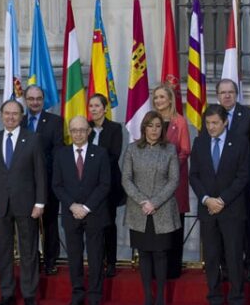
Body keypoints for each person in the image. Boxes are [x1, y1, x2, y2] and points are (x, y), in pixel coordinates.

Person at [0, 100, 46, 305]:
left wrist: (40, 203)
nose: (10, 117)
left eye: (15, 114)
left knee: (28, 251)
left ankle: (29, 294)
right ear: (1, 115)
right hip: (0, 203)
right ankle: (7, 294)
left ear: (21, 116)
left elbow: (40, 174)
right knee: (4, 251)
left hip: (27, 204)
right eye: (7, 113)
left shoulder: (33, 139)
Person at [190, 104, 250, 305]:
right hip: (208, 210)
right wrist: (207, 199)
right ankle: (214, 296)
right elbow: (194, 176)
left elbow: (243, 177)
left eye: (215, 123)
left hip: (231, 210)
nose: (211, 127)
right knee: (212, 256)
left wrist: (222, 200)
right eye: (208, 123)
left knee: (233, 257)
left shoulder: (240, 142)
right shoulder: (199, 142)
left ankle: (236, 298)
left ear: (225, 122)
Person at [121, 111, 180, 305]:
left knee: (161, 253)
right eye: (150, 125)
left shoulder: (170, 149)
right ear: (143, 127)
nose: (154, 130)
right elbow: (126, 179)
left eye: (157, 126)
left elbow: (174, 180)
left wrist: (154, 202)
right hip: (139, 210)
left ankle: (161, 297)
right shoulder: (132, 149)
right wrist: (143, 201)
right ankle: (148, 296)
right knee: (144, 253)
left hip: (162, 210)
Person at [53, 116, 111, 305]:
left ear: (89, 132)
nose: (78, 133)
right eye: (74, 130)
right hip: (71, 214)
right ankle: (77, 294)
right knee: (74, 258)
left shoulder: (101, 153)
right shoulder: (61, 154)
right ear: (70, 133)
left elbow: (104, 185)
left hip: (94, 214)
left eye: (82, 130)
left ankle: (95, 296)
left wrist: (85, 207)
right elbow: (57, 185)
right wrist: (72, 206)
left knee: (95, 257)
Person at [211, 79, 250, 282]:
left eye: (230, 92)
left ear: (236, 94)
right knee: (223, 227)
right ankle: (225, 265)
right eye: (223, 92)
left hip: (245, 185)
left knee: (247, 225)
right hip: (220, 185)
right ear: (217, 95)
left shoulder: (249, 116)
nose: (227, 96)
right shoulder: (212, 116)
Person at [21, 85, 63, 275]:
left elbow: (58, 152)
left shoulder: (55, 121)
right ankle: (31, 260)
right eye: (31, 99)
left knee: (50, 223)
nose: (35, 102)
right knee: (26, 224)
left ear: (43, 99)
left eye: (38, 98)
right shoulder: (19, 121)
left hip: (47, 181)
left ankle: (50, 260)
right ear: (25, 100)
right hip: (23, 184)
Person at [150, 83, 191, 278]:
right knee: (155, 226)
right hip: (152, 183)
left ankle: (173, 269)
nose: (158, 100)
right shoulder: (150, 121)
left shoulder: (180, 121)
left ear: (170, 99)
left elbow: (185, 151)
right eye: (156, 97)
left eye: (162, 97)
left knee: (174, 224)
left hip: (175, 182)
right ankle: (154, 268)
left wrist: (170, 169)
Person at [87, 93, 123, 277]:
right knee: (92, 225)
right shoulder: (86, 129)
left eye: (96, 106)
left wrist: (93, 168)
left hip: (108, 185)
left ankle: (111, 261)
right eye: (91, 106)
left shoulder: (115, 129)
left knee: (108, 223)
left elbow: (114, 155)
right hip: (87, 186)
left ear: (105, 108)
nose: (93, 109)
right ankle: (96, 260)